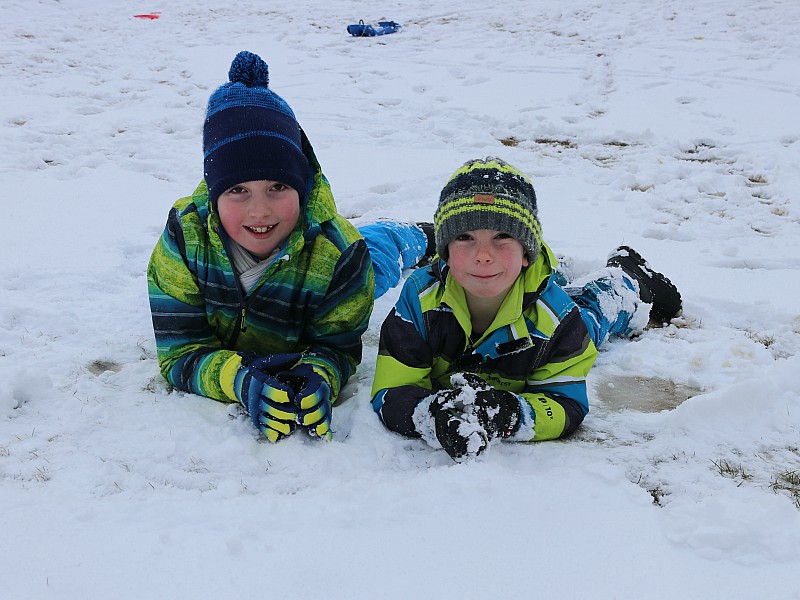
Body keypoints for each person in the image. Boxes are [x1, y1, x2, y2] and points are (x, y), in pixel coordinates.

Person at [147, 50, 431, 443]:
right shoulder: (184, 238)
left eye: (278, 187)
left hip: (342, 257)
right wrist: (236, 380)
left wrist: (320, 373)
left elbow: (338, 348)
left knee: (381, 249)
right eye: (238, 190)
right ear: (214, 195)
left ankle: (418, 234)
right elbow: (180, 352)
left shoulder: (342, 254)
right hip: (306, 250)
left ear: (301, 185)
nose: (259, 210)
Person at [371, 157, 682, 460]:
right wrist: (431, 414)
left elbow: (566, 406)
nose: (482, 255)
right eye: (464, 237)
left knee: (589, 315)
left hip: (545, 307)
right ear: (445, 253)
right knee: (536, 282)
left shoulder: (556, 318)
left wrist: (508, 413)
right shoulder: (420, 299)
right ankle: (555, 268)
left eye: (502, 236)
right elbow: (392, 391)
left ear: (526, 253)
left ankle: (625, 277)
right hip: (515, 280)